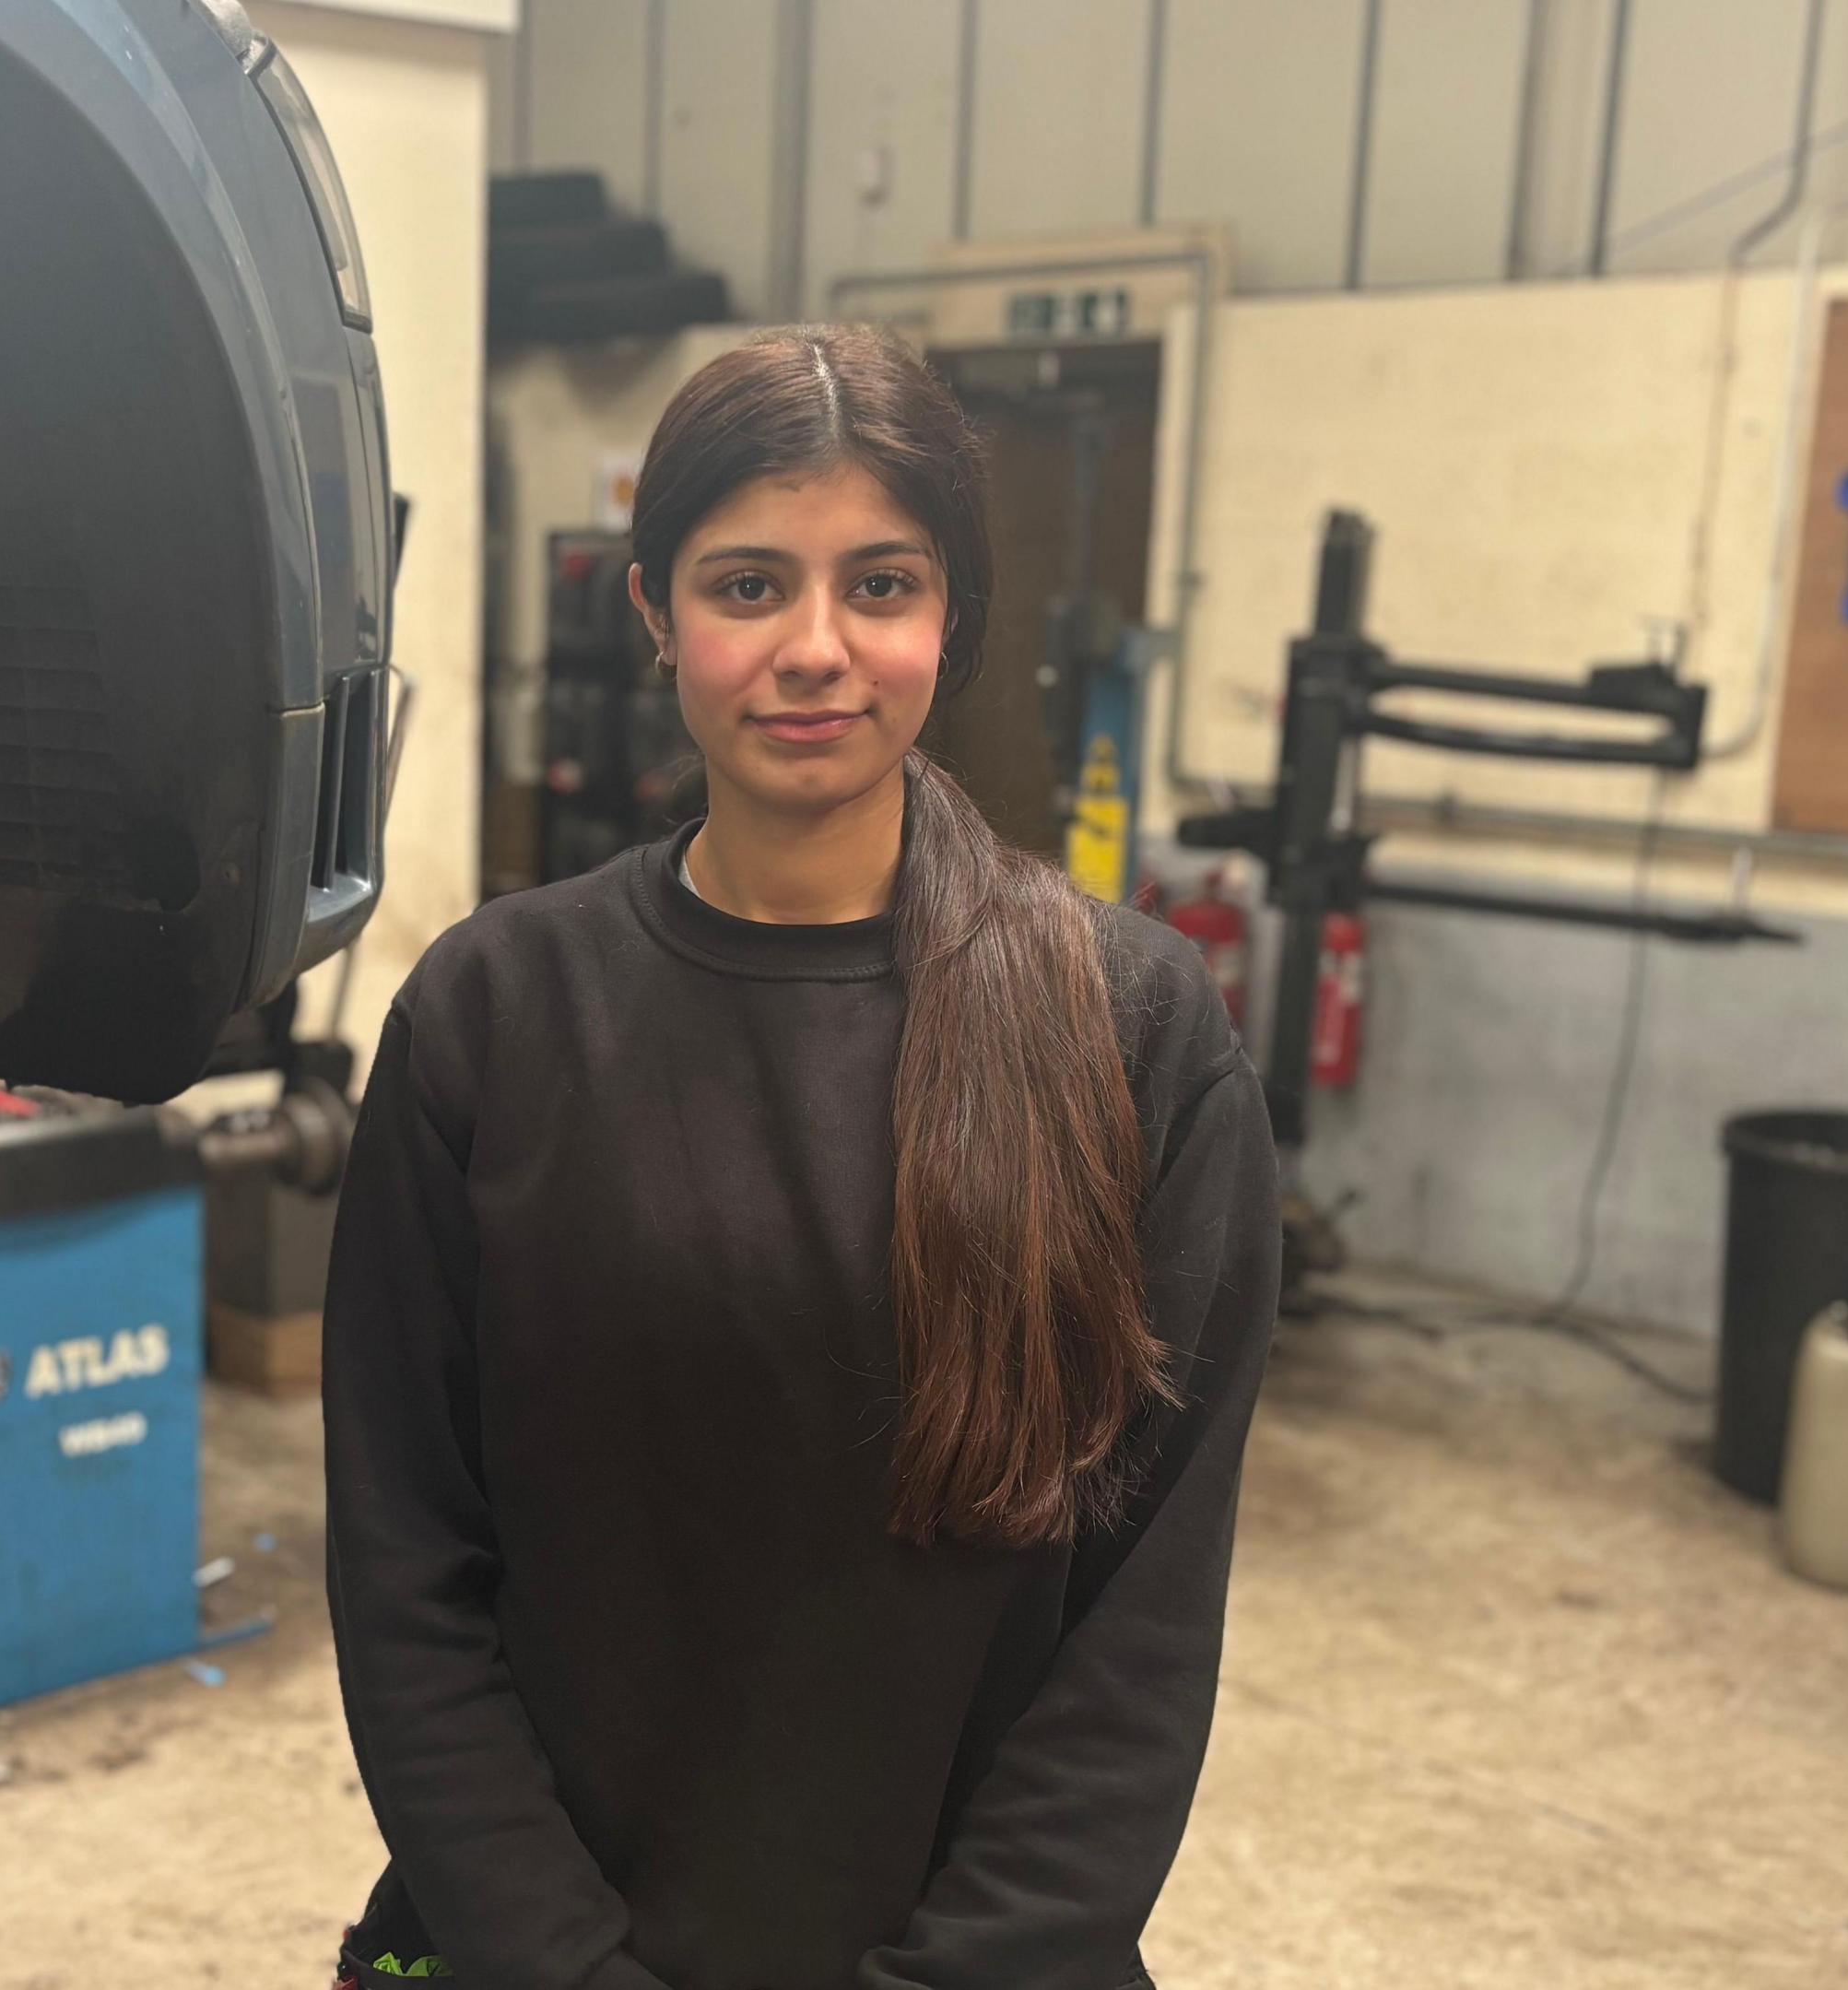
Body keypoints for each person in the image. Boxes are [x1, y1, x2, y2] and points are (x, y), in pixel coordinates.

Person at [321, 325, 1279, 1990]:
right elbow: (408, 1566)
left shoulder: (1134, 1033)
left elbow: (1139, 1642)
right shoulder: (493, 1013)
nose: (816, 651)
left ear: (951, 616)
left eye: (882, 586)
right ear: (653, 612)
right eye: (749, 585)